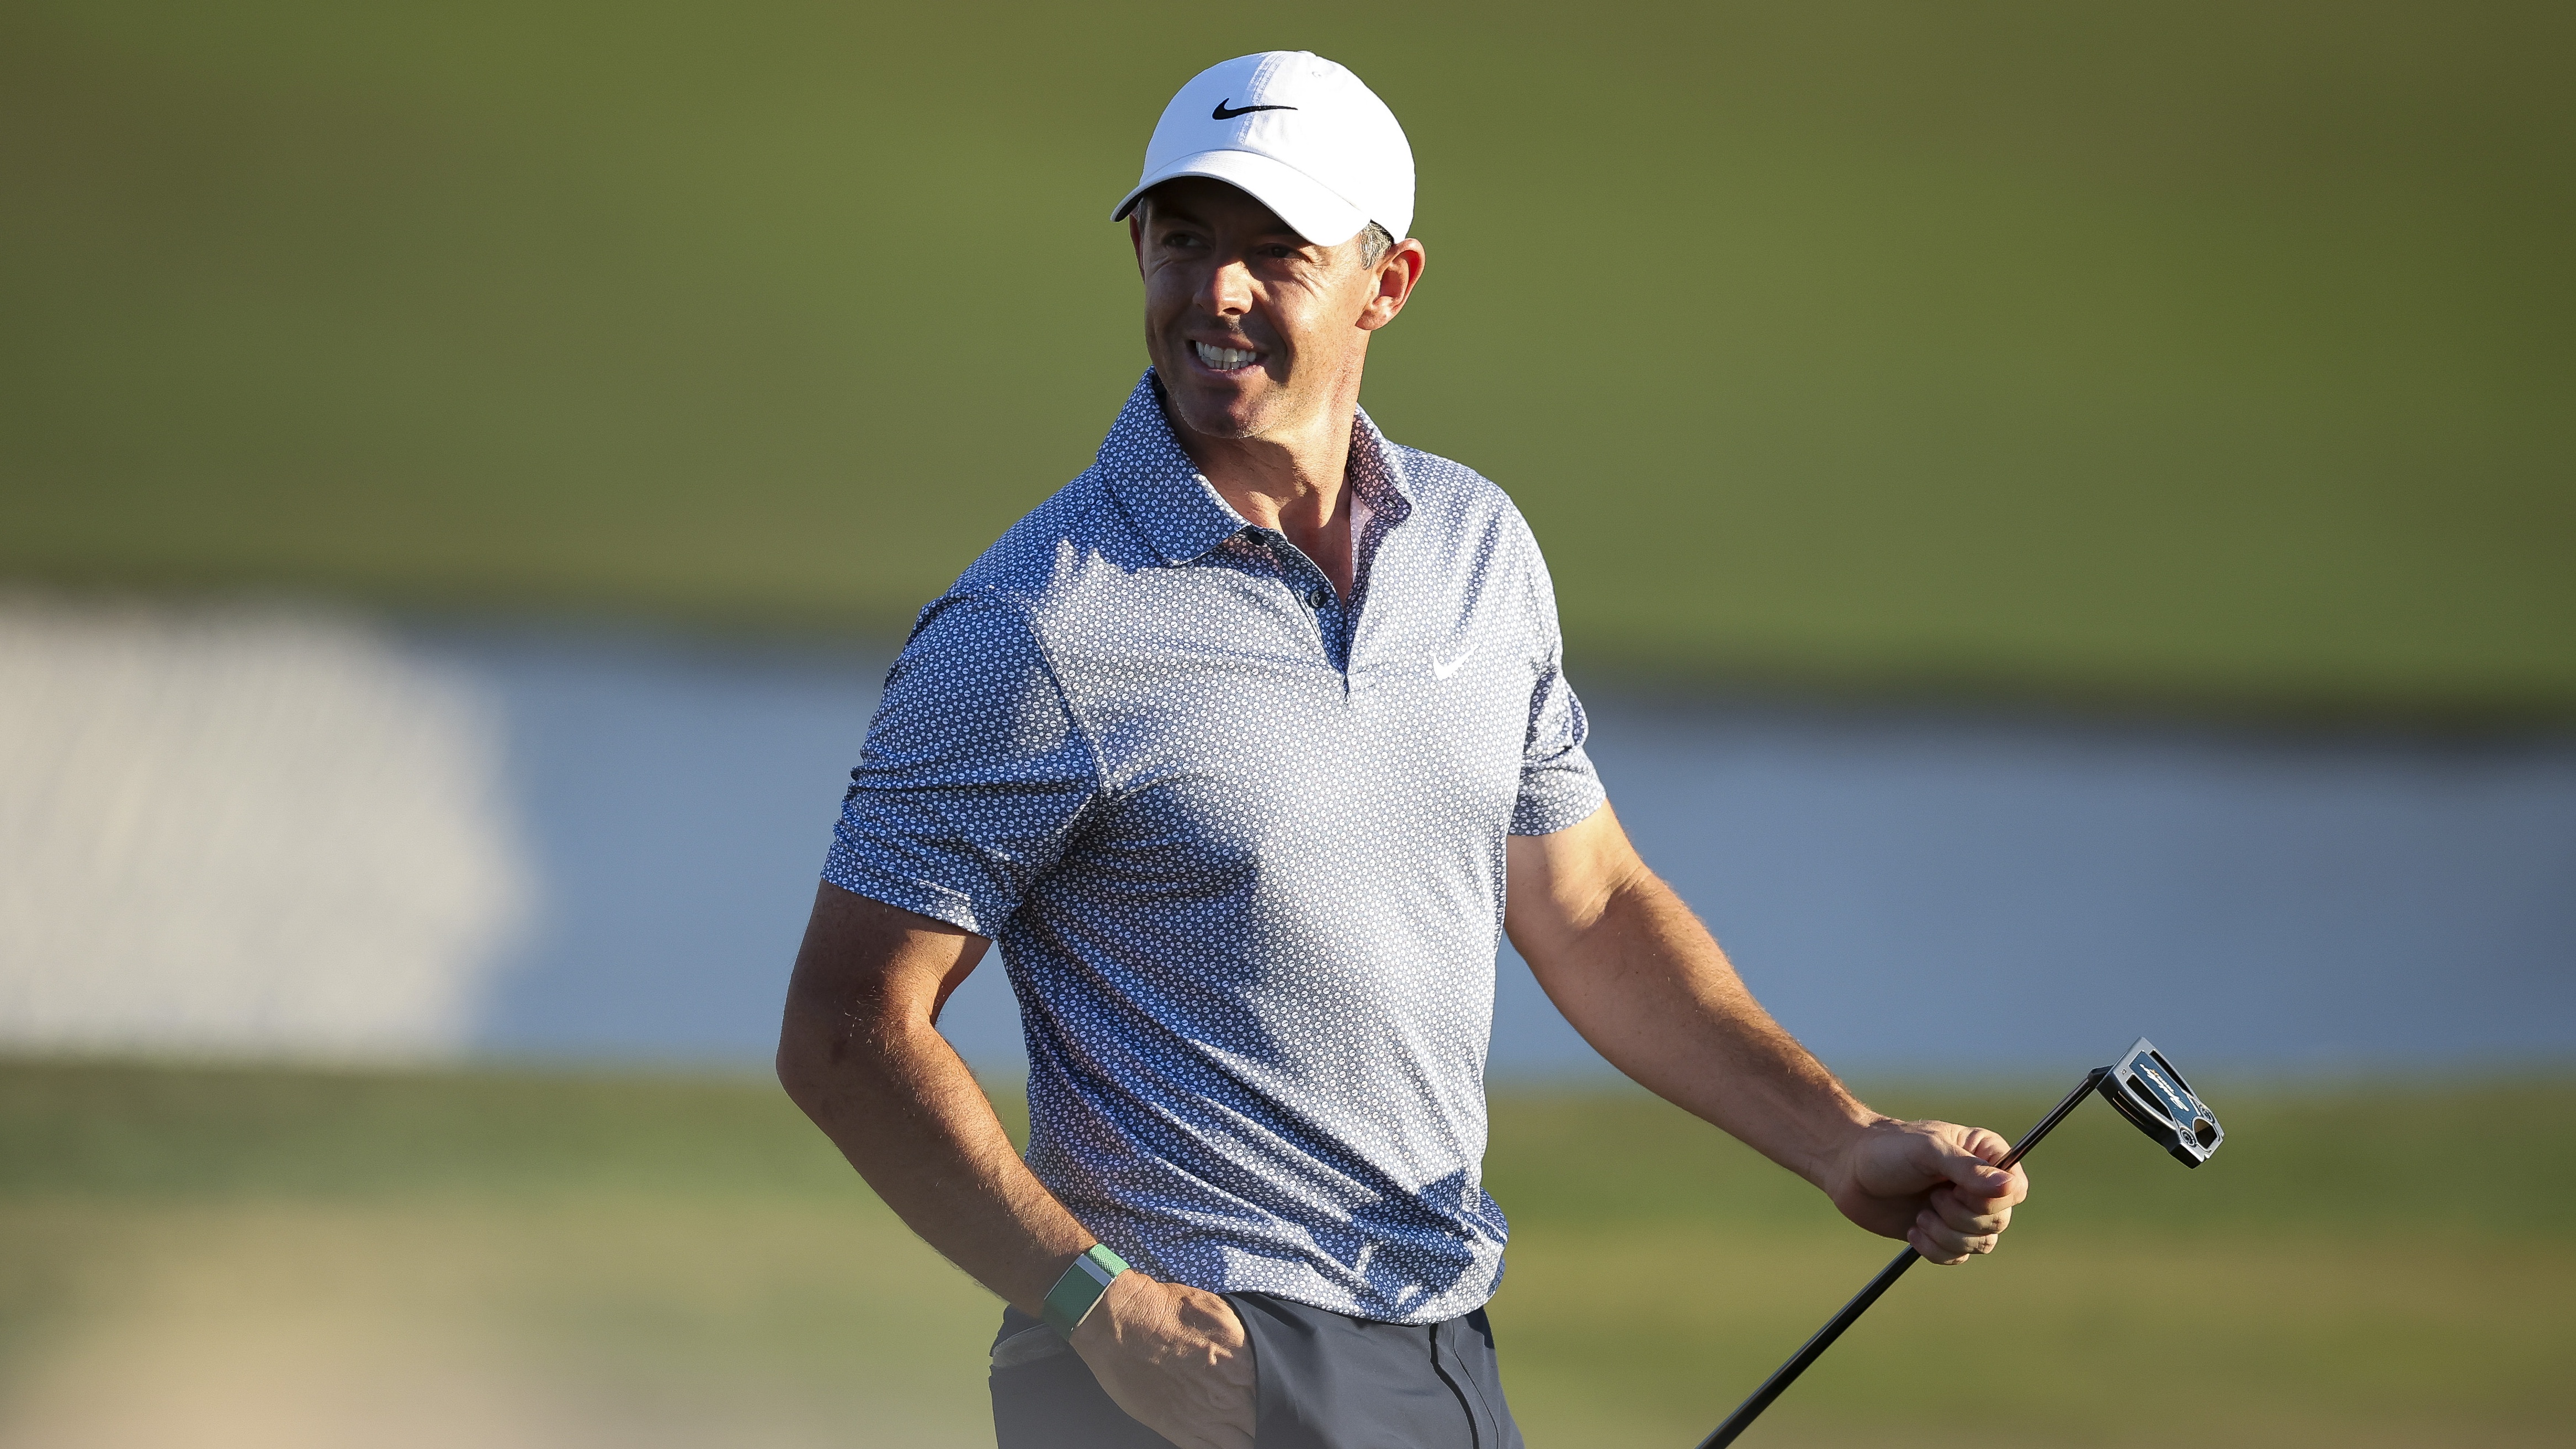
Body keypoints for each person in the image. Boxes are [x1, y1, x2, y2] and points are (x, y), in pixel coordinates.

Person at [776, 50, 2030, 1449]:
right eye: (1183, 239)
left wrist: (1841, 1139)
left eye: (1276, 252)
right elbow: (844, 1029)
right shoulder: (1035, 624)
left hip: (1439, 1346)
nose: (1218, 291)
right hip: (1178, 1365)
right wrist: (1100, 1306)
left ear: (1388, 282)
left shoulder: (1475, 549)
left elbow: (1587, 903)